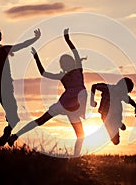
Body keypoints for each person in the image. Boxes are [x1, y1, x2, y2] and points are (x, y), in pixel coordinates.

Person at [8, 28, 87, 157]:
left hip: (74, 108)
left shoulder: (79, 69)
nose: (66, 64)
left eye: (67, 61)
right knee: (40, 121)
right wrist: (36, 58)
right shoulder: (63, 76)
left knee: (80, 135)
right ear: (62, 66)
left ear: (72, 62)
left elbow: (75, 52)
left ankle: (75, 157)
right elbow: (44, 73)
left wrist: (68, 40)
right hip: (63, 104)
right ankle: (15, 136)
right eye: (63, 63)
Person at [90, 77, 136, 145]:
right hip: (106, 115)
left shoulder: (122, 94)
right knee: (115, 141)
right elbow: (94, 86)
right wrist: (92, 100)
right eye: (125, 91)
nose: (124, 93)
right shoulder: (107, 88)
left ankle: (118, 124)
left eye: (126, 92)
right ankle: (118, 124)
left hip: (113, 116)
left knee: (116, 141)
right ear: (121, 86)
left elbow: (130, 100)